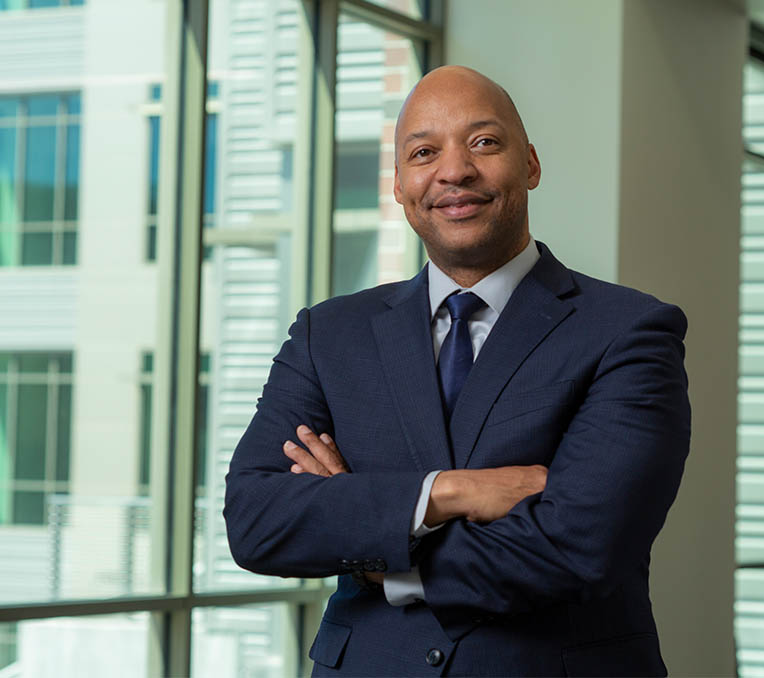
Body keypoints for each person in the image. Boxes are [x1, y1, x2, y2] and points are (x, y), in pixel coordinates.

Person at [224, 65, 691, 677]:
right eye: (424, 152)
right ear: (398, 185)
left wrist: (373, 549)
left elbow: (580, 547)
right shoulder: (328, 335)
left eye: (483, 142)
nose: (453, 171)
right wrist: (448, 492)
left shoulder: (629, 330)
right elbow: (257, 519)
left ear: (530, 164)